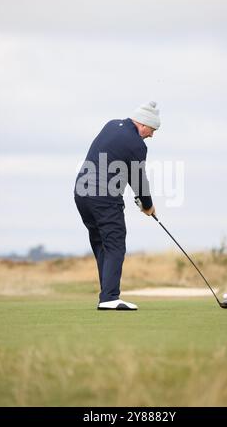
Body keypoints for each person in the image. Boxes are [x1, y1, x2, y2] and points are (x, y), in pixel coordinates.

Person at [74, 101, 160, 311]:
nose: (152, 135)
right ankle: (110, 297)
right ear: (143, 124)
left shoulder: (111, 125)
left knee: (101, 243)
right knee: (115, 243)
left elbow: (121, 167)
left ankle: (107, 295)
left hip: (81, 193)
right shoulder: (137, 144)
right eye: (152, 130)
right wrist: (147, 205)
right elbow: (138, 179)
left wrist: (142, 202)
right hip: (103, 196)